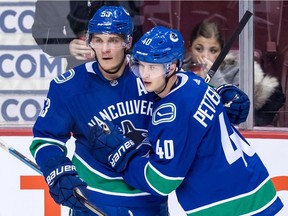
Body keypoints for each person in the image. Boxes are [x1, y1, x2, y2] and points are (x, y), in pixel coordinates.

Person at [30, 5, 250, 216]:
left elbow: (191, 93)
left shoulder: (151, 76)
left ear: (128, 42)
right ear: (89, 42)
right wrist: (56, 169)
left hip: (149, 201)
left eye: (114, 40)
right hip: (93, 201)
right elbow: (46, 139)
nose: (105, 49)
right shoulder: (68, 87)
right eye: (98, 40)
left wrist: (222, 98)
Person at [91, 26, 284, 215]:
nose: (145, 74)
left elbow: (162, 181)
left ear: (172, 66)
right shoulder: (192, 81)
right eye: (141, 65)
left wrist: (124, 157)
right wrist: (222, 92)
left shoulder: (170, 115)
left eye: (153, 67)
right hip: (253, 184)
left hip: (225, 204)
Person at [183, 20, 286, 126]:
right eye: (199, 49)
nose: (205, 56)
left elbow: (239, 111)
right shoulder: (179, 72)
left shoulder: (237, 71)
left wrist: (214, 77)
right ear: (190, 47)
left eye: (213, 50)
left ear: (222, 51)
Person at [32, 0, 143, 70]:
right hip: (81, 72)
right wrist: (67, 46)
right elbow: (42, 30)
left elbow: (151, 25)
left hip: (128, 71)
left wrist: (125, 45)